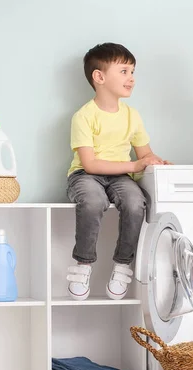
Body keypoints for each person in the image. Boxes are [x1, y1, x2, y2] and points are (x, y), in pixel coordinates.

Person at [66, 43, 168, 301]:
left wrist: (155, 161)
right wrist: (134, 166)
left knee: (136, 203)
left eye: (133, 71)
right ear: (99, 77)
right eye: (123, 71)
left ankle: (123, 265)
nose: (131, 78)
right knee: (93, 201)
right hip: (85, 176)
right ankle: (83, 265)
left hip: (120, 178)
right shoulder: (84, 116)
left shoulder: (132, 116)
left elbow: (144, 154)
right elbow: (89, 164)